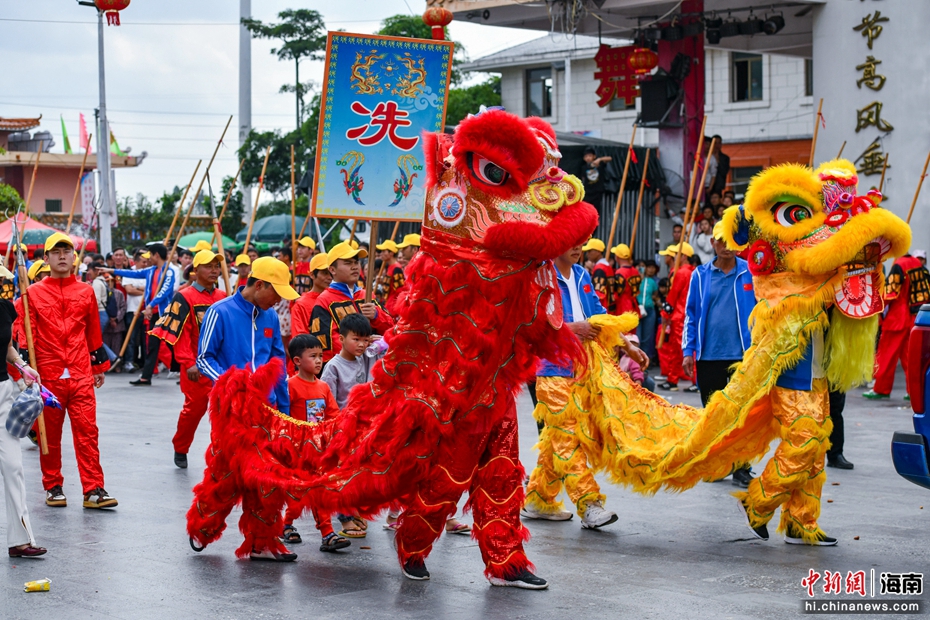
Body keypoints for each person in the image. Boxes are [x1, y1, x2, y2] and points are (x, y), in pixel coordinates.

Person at [15, 233, 116, 510]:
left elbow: (94, 330)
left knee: (88, 432)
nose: (62, 256)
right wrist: (26, 369)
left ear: (74, 258)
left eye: (66, 251)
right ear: (45, 259)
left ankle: (93, 488)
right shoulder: (31, 294)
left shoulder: (85, 291)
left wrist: (98, 367)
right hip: (47, 375)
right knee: (49, 435)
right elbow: (26, 334)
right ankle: (53, 485)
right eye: (55, 251)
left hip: (81, 372)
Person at [522, 244, 620, 529]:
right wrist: (569, 329)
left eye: (582, 241)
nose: (579, 247)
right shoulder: (540, 277)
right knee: (568, 437)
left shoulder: (582, 276)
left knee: (557, 437)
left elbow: (599, 315)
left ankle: (539, 500)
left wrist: (629, 344)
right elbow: (530, 322)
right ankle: (589, 502)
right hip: (551, 369)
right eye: (572, 241)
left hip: (582, 369)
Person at [681, 227, 755, 487]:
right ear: (712, 242)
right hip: (708, 356)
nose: (726, 245)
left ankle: (742, 467)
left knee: (741, 414)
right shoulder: (699, 275)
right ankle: (718, 464)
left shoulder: (751, 271)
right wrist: (688, 351)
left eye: (732, 240)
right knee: (713, 414)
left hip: (742, 356)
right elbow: (691, 315)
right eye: (721, 240)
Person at [150, 250, 227, 469]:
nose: (214, 270)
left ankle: (219, 451)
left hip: (220, 365)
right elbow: (178, 333)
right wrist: (188, 362)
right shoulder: (184, 296)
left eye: (216, 266)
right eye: (208, 266)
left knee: (222, 410)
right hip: (195, 365)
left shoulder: (223, 296)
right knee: (193, 410)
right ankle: (181, 446)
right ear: (195, 270)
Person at [197, 256, 296, 417]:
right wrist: (231, 383)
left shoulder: (271, 316)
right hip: (231, 406)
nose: (279, 301)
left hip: (266, 405)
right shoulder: (220, 312)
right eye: (277, 293)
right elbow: (204, 359)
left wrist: (285, 410)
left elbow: (278, 364)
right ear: (259, 285)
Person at [280, 333, 350, 552]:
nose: (320, 360)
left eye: (321, 356)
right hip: (297, 450)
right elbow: (282, 416)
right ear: (297, 361)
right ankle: (297, 526)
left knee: (317, 488)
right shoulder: (289, 386)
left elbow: (333, 416)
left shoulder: (323, 387)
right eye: (313, 356)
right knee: (301, 491)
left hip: (319, 449)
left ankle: (322, 531)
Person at [320, 313, 382, 539]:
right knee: (343, 473)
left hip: (365, 427)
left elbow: (389, 345)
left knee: (360, 473)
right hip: (342, 428)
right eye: (356, 339)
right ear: (341, 338)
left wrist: (375, 341)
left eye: (365, 340)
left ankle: (353, 510)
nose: (361, 345)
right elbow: (327, 401)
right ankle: (345, 518)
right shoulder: (333, 367)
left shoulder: (366, 357)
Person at [0, 263, 47, 558]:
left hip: (3, 392)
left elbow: (7, 346)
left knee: (14, 467)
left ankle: (20, 539)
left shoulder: (5, 308)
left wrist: (23, 366)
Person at [310, 241, 394, 363]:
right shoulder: (324, 301)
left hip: (374, 364)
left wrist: (376, 315)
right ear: (332, 270)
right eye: (348, 263)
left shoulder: (367, 295)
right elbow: (325, 343)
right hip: (344, 369)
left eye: (356, 262)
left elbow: (391, 328)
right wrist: (362, 345)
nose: (355, 266)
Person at [107, 244, 176, 386]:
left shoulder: (168, 272)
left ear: (156, 255)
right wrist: (112, 270)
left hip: (166, 313)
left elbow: (165, 291)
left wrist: (151, 305)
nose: (148, 258)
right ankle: (146, 377)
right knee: (152, 345)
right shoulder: (151, 270)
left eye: (150, 255)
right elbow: (132, 274)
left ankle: (187, 370)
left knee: (173, 344)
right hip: (153, 314)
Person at [863, 252, 930, 399]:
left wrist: (876, 308)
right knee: (910, 358)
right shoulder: (917, 263)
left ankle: (881, 388)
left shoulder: (899, 264)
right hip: (913, 317)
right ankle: (913, 391)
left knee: (886, 355)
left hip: (897, 318)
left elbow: (890, 293)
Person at [657, 242, 695, 391]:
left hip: (679, 315)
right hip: (685, 314)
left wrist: (665, 313)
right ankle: (675, 379)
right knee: (683, 349)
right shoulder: (691, 271)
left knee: (678, 349)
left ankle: (679, 380)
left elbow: (673, 296)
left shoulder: (681, 273)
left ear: (683, 256)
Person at [291, 253, 331, 337]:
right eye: (325, 273)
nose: (329, 277)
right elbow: (300, 339)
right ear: (312, 275)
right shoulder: (301, 304)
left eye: (331, 273)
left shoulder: (337, 299)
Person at [121, 250, 147, 372]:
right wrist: (144, 291)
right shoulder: (129, 273)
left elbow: (153, 290)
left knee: (145, 338)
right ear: (136, 261)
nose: (145, 264)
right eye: (143, 261)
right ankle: (129, 361)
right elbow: (129, 290)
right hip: (132, 309)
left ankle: (146, 363)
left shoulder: (149, 272)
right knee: (131, 337)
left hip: (146, 310)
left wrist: (137, 288)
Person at [637, 260, 659, 365]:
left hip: (650, 311)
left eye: (653, 267)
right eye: (649, 267)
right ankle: (635, 362)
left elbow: (655, 294)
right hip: (638, 310)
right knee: (638, 337)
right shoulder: (638, 279)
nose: (651, 269)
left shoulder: (653, 282)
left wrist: (653, 301)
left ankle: (644, 362)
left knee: (646, 338)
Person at [582, 238, 613, 310]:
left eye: (589, 251)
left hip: (602, 308)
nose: (587, 254)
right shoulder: (606, 266)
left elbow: (599, 294)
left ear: (598, 252)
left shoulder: (600, 268)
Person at [374, 239, 406, 311]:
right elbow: (391, 286)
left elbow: (400, 291)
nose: (381, 253)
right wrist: (382, 282)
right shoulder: (389, 267)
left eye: (383, 251)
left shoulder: (396, 269)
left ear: (391, 253)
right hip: (387, 303)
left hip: (393, 307)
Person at [610, 243, 640, 318]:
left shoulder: (619, 272)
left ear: (617, 257)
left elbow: (617, 293)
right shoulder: (635, 271)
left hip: (622, 306)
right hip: (634, 306)